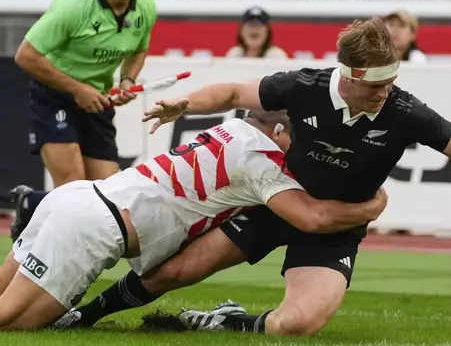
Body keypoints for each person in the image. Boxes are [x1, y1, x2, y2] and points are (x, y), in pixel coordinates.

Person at [58, 17, 451, 336]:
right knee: (172, 272)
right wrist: (184, 105)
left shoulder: (405, 111)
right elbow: (234, 92)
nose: (387, 91)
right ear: (348, 74)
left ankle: (230, 321)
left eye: (394, 80)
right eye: (378, 83)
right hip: (274, 204)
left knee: (297, 325)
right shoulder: (304, 87)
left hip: (337, 226)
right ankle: (84, 317)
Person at [0, 110, 386, 330]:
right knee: (14, 322)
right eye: (293, 139)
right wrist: (371, 208)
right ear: (278, 130)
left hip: (75, 198)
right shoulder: (261, 160)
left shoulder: (231, 128)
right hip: (94, 224)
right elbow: (311, 218)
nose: (295, 150)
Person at [9, 0, 157, 243]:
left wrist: (128, 79)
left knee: (107, 194)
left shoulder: (146, 7)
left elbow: (139, 48)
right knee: (73, 187)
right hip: (54, 97)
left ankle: (32, 203)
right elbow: (25, 56)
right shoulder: (73, 5)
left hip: (98, 101)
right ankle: (39, 260)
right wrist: (78, 89)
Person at [224, 7, 288, 59]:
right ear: (241, 30)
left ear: (268, 31)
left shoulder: (276, 56)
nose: (254, 29)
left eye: (258, 25)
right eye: (250, 24)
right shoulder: (234, 54)